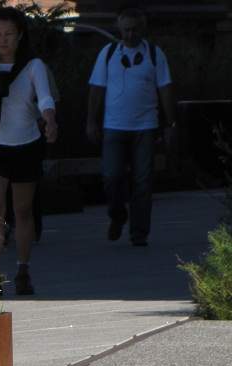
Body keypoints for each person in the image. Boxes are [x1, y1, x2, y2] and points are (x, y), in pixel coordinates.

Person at [0, 7, 57, 297]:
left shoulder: (33, 65)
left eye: (8, 35)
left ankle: (23, 267)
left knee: (23, 210)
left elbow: (44, 97)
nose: (2, 40)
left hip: (26, 143)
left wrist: (51, 120)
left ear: (19, 36)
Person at [86, 6, 176, 247]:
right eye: (125, 29)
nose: (130, 34)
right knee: (111, 177)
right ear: (119, 28)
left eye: (135, 29)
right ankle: (117, 215)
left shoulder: (155, 55)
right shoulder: (108, 53)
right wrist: (91, 121)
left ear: (143, 28)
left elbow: (165, 89)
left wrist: (170, 123)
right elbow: (96, 89)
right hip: (114, 126)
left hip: (145, 126)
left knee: (143, 181)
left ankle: (139, 233)